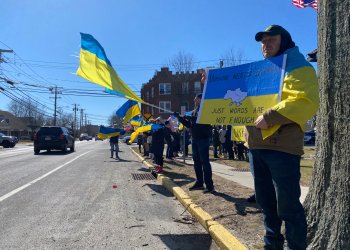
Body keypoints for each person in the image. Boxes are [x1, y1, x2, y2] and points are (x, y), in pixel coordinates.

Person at [245, 25, 319, 249]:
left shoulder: (300, 68)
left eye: (271, 41)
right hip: (257, 147)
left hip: (283, 149)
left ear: (284, 41)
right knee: (266, 204)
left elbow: (305, 100)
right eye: (263, 42)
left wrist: (271, 116)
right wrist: (213, 82)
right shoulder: (262, 72)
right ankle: (272, 246)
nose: (265, 45)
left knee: (287, 207)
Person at [174, 94, 214, 193]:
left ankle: (209, 186)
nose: (194, 101)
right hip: (195, 139)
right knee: (196, 162)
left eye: (196, 100)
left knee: (204, 162)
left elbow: (198, 119)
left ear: (201, 99)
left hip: (203, 139)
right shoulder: (194, 111)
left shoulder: (206, 109)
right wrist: (180, 118)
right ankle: (199, 182)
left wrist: (186, 116)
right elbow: (189, 124)